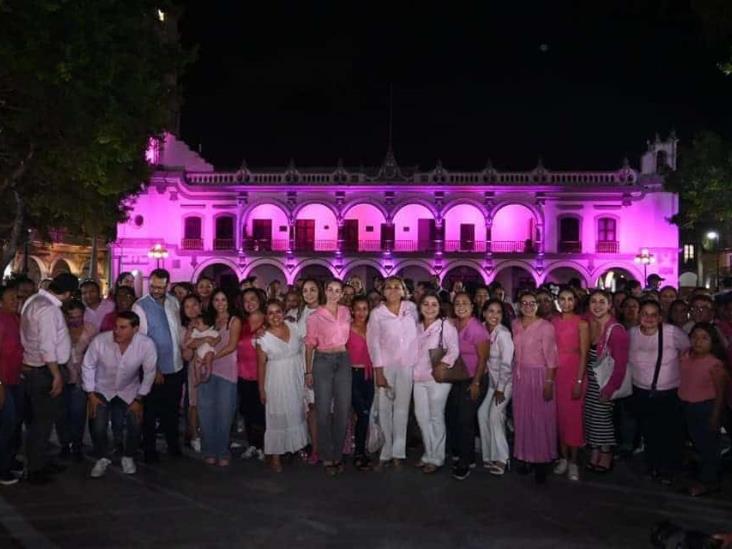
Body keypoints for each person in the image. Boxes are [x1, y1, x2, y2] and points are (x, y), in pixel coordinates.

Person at [82, 311, 157, 478]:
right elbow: (88, 365)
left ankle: (128, 456)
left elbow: (150, 372)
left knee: (135, 423)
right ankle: (102, 457)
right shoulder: (100, 341)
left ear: (135, 329)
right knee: (98, 425)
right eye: (116, 327)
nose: (117, 331)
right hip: (101, 388)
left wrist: (139, 398)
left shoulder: (146, 344)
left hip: (129, 389)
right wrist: (90, 394)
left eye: (123, 328)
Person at [20, 272, 77, 484]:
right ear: (68, 293)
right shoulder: (49, 310)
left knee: (40, 420)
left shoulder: (34, 300)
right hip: (44, 370)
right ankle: (35, 468)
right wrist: (56, 375)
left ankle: (40, 460)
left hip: (34, 366)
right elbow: (47, 346)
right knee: (42, 422)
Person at [628, 300, 690, 485]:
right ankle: (653, 465)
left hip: (667, 392)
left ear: (660, 317)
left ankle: (669, 469)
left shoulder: (671, 332)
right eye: (645, 314)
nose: (649, 318)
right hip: (641, 391)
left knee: (669, 433)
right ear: (639, 316)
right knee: (649, 432)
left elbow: (687, 348)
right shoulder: (632, 333)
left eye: (653, 314)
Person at [132, 268, 184, 463]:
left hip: (176, 366)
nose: (156, 290)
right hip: (155, 370)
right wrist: (154, 369)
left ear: (167, 285)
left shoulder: (173, 302)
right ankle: (150, 450)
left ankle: (173, 446)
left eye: (160, 287)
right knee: (151, 412)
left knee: (171, 411)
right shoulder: (140, 306)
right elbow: (142, 341)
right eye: (153, 286)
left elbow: (176, 330)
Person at [367, 276, 418, 470]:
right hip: (385, 366)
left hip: (407, 366)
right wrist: (378, 372)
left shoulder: (411, 309)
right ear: (383, 291)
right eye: (389, 287)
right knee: (384, 409)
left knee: (402, 410)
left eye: (398, 287)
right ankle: (386, 451)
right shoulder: (377, 314)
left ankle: (398, 452)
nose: (393, 290)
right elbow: (374, 345)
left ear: (404, 290)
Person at [305, 279, 352, 476]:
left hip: (342, 359)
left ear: (342, 294)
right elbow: (309, 345)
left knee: (343, 408)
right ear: (325, 292)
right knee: (323, 410)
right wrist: (308, 371)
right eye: (330, 290)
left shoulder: (345, 312)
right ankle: (326, 456)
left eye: (338, 290)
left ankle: (338, 454)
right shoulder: (315, 316)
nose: (334, 293)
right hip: (323, 360)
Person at [511, 290, 558, 483]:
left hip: (539, 375)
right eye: (524, 303)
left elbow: (552, 358)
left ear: (538, 305)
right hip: (520, 375)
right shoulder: (515, 324)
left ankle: (541, 462)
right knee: (522, 418)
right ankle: (524, 457)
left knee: (540, 419)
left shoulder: (546, 327)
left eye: (532, 303)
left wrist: (548, 382)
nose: (528, 306)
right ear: (519, 305)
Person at [257, 300, 308, 472]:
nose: (275, 316)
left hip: (295, 376)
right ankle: (276, 456)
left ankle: (296, 447)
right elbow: (261, 365)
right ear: (265, 316)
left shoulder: (293, 326)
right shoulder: (262, 338)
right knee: (276, 417)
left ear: (283, 312)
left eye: (278, 311)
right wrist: (261, 389)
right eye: (270, 313)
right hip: (276, 380)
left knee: (295, 412)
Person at [678, 323, 729, 496]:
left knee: (708, 447)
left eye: (704, 338)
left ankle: (709, 482)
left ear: (712, 341)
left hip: (704, 408)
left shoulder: (715, 365)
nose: (698, 341)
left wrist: (715, 416)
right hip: (686, 406)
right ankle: (699, 475)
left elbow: (721, 394)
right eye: (695, 337)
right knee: (695, 443)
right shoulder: (685, 356)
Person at [413, 291, 460, 474]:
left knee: (436, 416)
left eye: (434, 304)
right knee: (422, 417)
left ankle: (437, 457)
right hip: (418, 377)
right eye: (426, 304)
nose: (430, 308)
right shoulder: (416, 327)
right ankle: (428, 452)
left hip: (438, 377)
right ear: (420, 306)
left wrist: (443, 364)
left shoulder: (445, 326)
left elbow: (454, 349)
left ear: (439, 307)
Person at [584, 289, 629, 473]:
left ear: (610, 305)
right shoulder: (589, 325)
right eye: (593, 301)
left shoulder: (616, 330)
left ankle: (606, 454)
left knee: (603, 420)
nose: (597, 305)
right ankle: (595, 451)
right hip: (592, 381)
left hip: (605, 382)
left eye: (602, 301)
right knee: (592, 418)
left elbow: (620, 365)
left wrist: (610, 388)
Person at [447, 291, 489, 480]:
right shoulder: (454, 324)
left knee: (465, 420)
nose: (461, 306)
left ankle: (465, 462)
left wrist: (476, 383)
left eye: (465, 303)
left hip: (475, 378)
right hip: (458, 377)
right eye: (457, 303)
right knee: (454, 416)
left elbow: (483, 359)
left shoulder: (477, 328)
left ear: (472, 307)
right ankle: (467, 455)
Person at [196, 290, 241, 466]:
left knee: (225, 413)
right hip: (206, 371)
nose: (220, 303)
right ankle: (209, 449)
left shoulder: (234, 321)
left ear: (229, 301)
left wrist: (211, 356)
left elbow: (231, 346)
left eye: (223, 299)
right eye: (216, 299)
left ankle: (222, 451)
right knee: (206, 412)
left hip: (226, 371)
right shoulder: (208, 321)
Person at [551, 288, 588, 481]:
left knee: (573, 420)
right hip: (556, 373)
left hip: (574, 373)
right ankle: (563, 458)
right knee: (559, 419)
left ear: (575, 301)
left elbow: (584, 354)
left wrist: (579, 380)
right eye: (562, 299)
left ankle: (574, 462)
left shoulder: (581, 323)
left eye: (570, 299)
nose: (566, 303)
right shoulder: (553, 322)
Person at [57, 299, 97, 462]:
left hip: (81, 378)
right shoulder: (59, 329)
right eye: (71, 317)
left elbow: (96, 355)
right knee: (61, 414)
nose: (74, 320)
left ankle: (77, 445)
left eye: (78, 316)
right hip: (61, 377)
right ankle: (64, 445)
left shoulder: (91, 330)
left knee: (78, 413)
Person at [478, 298, 514, 476]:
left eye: (498, 312)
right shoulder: (482, 328)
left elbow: (507, 365)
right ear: (484, 313)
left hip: (504, 383)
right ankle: (489, 455)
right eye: (490, 311)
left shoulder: (503, 334)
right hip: (491, 383)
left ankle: (502, 458)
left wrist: (500, 388)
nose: (494, 315)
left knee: (494, 415)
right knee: (482, 414)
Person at [237, 288, 266, 461]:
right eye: (246, 300)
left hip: (263, 375)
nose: (249, 303)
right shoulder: (241, 323)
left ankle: (263, 446)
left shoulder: (268, 320)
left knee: (262, 412)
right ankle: (252, 444)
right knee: (247, 411)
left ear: (259, 300)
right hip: (243, 374)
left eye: (253, 299)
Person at [346, 296, 375, 471]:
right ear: (352, 310)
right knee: (362, 413)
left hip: (369, 376)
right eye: (358, 308)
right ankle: (358, 452)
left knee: (365, 414)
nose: (361, 312)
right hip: (353, 375)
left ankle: (361, 450)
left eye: (365, 308)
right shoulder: (347, 330)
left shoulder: (372, 328)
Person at [0, 285, 24, 485]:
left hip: (15, 379)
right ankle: (2, 468)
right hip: (3, 381)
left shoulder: (15, 318)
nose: (15, 301)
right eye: (11, 298)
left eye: (17, 297)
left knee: (15, 422)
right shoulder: (1, 319)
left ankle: (9, 459)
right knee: (7, 424)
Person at [299, 278, 322, 464]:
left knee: (318, 407)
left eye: (312, 290)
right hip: (300, 364)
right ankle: (312, 445)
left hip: (320, 363)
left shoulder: (325, 313)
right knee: (308, 408)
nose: (309, 294)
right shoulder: (298, 312)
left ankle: (320, 447)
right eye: (305, 290)